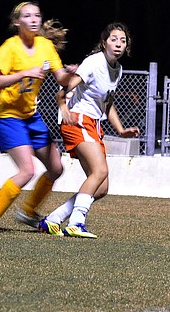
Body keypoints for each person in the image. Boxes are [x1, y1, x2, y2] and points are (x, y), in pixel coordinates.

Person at [0, 1, 77, 236]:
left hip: (31, 116)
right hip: (9, 116)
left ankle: (28, 212)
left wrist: (72, 72)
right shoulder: (8, 48)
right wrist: (24, 73)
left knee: (55, 167)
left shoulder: (45, 46)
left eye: (37, 15)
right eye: (27, 16)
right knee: (26, 170)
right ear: (16, 22)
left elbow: (60, 77)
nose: (33, 19)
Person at [38, 22, 140, 239]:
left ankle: (52, 220)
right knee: (100, 171)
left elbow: (107, 104)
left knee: (101, 188)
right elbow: (64, 89)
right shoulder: (93, 62)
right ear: (104, 43)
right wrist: (64, 107)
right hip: (78, 121)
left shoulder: (118, 69)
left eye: (123, 40)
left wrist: (121, 131)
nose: (119, 44)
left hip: (93, 124)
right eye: (113, 39)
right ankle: (76, 223)